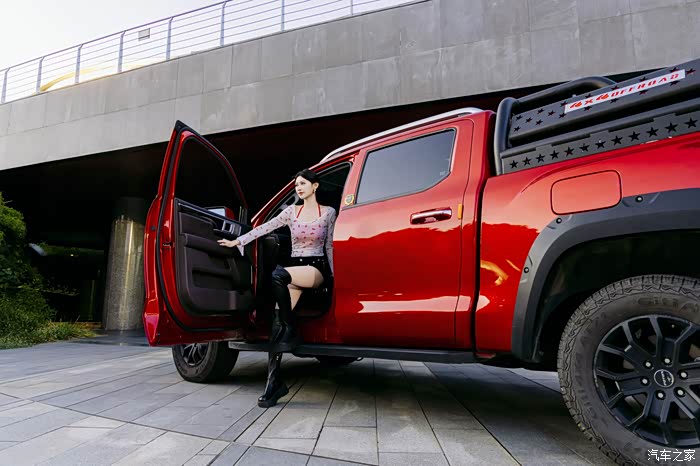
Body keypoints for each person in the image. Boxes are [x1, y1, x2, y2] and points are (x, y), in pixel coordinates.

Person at [218, 168, 336, 407]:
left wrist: (335, 276)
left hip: (315, 269)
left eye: (303, 183)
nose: (298, 188)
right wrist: (238, 241)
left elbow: (330, 245)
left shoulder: (328, 212)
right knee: (277, 323)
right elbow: (265, 227)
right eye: (296, 185)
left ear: (315, 186)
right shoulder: (291, 212)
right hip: (294, 271)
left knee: (277, 276)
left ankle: (291, 326)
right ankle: (274, 384)